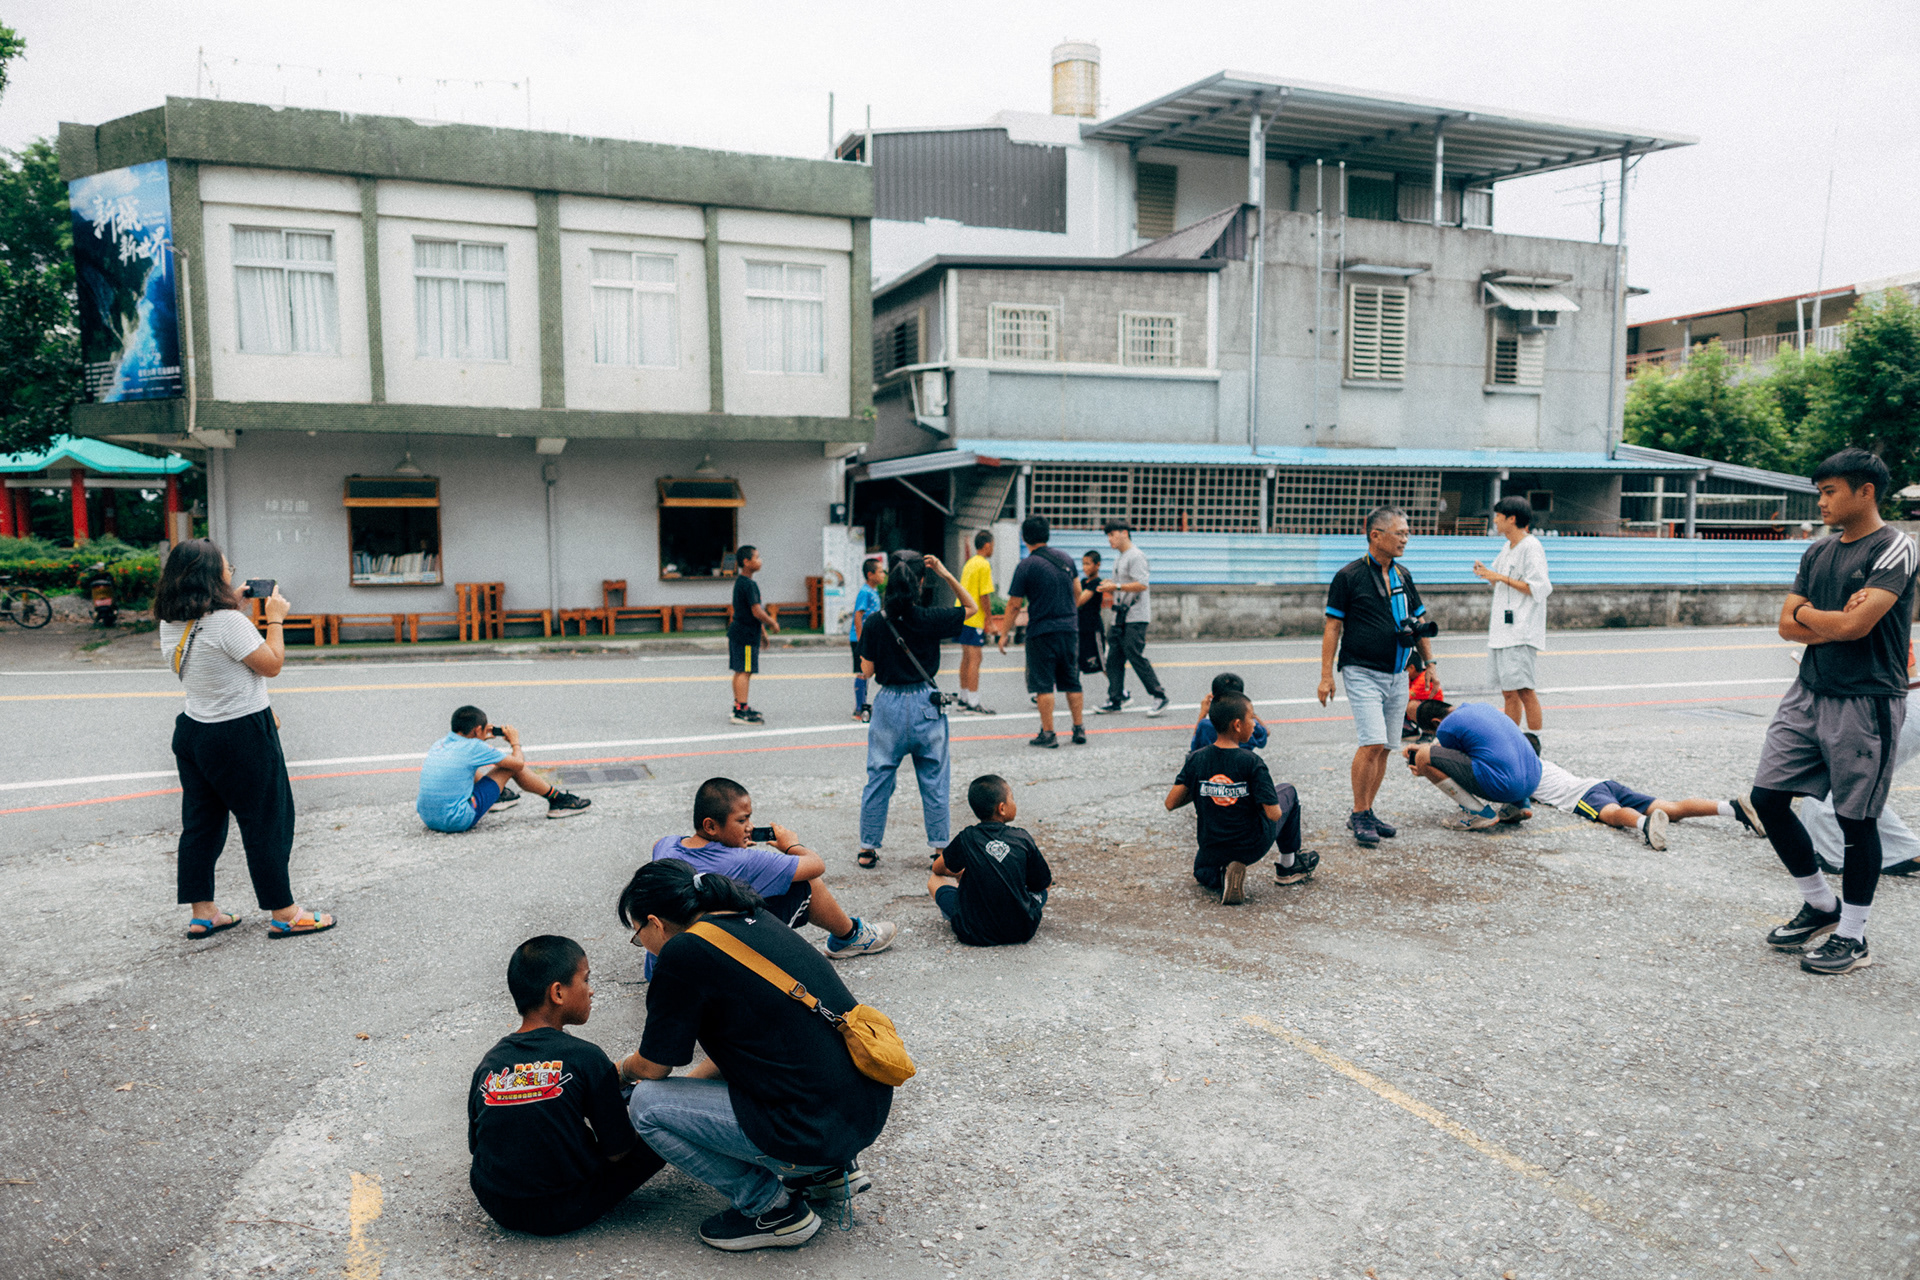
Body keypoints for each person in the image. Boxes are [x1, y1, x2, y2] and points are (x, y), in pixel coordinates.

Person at [618, 861, 892, 1251]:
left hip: (811, 1130)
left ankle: (771, 1208)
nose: (642, 944)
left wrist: (618, 1072)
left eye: (637, 935)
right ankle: (824, 1173)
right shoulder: (751, 917)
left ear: (654, 923)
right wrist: (685, 1104)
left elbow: (652, 1067)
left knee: (646, 1105)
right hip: (861, 1112)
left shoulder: (683, 952)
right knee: (766, 1065)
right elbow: (745, 1049)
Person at [1752, 448, 1919, 975]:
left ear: (1865, 492)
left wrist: (1810, 615)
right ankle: (1821, 905)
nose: (1821, 502)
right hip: (1808, 692)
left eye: (1830, 492)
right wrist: (1823, 619)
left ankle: (1853, 935)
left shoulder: (1895, 547)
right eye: (1819, 492)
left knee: (1856, 819)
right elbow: (1787, 625)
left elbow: (1856, 626)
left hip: (1867, 699)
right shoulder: (1818, 551)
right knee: (1767, 798)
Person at [155, 539, 334, 940]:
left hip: (194, 731)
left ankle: (203, 913)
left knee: (201, 824)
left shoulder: (171, 623)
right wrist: (275, 620)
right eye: (227, 568)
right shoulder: (228, 623)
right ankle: (285, 913)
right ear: (212, 576)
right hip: (239, 734)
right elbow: (271, 665)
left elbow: (213, 652)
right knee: (267, 821)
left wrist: (231, 603)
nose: (230, 573)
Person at [468, 936, 665, 1235]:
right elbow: (618, 1152)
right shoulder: (586, 1057)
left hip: (496, 1202)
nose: (591, 990)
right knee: (661, 1126)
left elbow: (476, 1145)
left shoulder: (491, 1062)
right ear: (558, 993)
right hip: (563, 1208)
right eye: (585, 980)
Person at [648, 776, 895, 969]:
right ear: (710, 826)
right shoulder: (745, 861)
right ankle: (850, 936)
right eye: (742, 821)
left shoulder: (666, 845)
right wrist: (791, 845)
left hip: (666, 964)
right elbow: (815, 865)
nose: (750, 827)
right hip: (714, 967)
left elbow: (683, 852)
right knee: (805, 884)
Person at [1317, 507, 1435, 848]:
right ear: (1375, 535)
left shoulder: (1403, 575)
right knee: (1371, 742)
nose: (1405, 539)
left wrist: (1430, 664)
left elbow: (1419, 622)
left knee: (1384, 747)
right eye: (1400, 533)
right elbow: (1333, 627)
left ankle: (1367, 810)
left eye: (1407, 533)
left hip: (1398, 673)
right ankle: (1358, 813)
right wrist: (1326, 676)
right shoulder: (1348, 576)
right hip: (1361, 670)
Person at [856, 549, 976, 868]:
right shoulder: (929, 617)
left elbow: (866, 671)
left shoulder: (875, 622)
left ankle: (867, 848)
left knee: (879, 777)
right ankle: (940, 849)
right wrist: (946, 573)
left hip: (889, 705)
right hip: (926, 703)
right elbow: (971, 607)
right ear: (920, 582)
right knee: (934, 779)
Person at [1167, 692, 1316, 902]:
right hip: (1249, 846)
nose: (1254, 724)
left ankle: (1222, 876)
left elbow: (1171, 803)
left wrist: (1209, 787)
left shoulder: (1196, 759)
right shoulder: (1252, 762)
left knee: (1201, 871)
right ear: (1237, 725)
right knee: (1288, 791)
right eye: (1251, 718)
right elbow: (1274, 814)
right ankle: (1288, 867)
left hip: (1211, 845)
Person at [1527, 747, 1766, 852]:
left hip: (1583, 796)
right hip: (1603, 783)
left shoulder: (1523, 776)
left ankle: (1645, 823)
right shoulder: (1546, 765)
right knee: (1672, 808)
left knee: (1612, 815)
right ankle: (1732, 807)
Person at [417, 705, 591, 830]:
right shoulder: (475, 747)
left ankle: (498, 797)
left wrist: (480, 739)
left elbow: (467, 754)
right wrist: (515, 742)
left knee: (465, 768)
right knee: (509, 767)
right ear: (477, 730)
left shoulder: (440, 743)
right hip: (456, 821)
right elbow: (518, 764)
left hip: (428, 818)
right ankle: (558, 801)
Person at [927, 774, 1053, 946]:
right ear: (1002, 808)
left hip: (972, 932)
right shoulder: (1022, 838)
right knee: (1043, 885)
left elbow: (937, 868)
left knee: (934, 880)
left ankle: (959, 913)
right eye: (1012, 799)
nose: (1014, 803)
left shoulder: (967, 837)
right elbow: (1042, 883)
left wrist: (960, 873)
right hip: (1021, 929)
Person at [999, 516, 1092, 748]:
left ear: (1024, 537)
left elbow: (1014, 605)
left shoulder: (1026, 565)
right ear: (1047, 534)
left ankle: (1049, 733)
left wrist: (1004, 633)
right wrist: (1068, 612)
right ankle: (1079, 729)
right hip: (1069, 629)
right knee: (1072, 681)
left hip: (1041, 631)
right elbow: (1077, 590)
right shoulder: (1066, 559)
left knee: (1043, 684)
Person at [1473, 495, 1553, 733]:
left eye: (1498, 516)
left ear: (1512, 519)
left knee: (1525, 690)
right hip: (1503, 630)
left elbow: (1538, 588)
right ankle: (1511, 739)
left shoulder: (1531, 546)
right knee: (1508, 692)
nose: (1495, 520)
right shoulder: (1507, 547)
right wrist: (1487, 574)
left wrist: (1499, 577)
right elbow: (1499, 581)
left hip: (1521, 630)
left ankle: (1535, 740)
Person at [1404, 701, 1543, 830]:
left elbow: (1452, 761)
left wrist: (1423, 767)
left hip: (1505, 787)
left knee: (1423, 756)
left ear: (1436, 723)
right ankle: (1518, 805)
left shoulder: (1445, 727)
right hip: (1532, 783)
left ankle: (1476, 813)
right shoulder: (1481, 708)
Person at [1095, 519, 1171, 717]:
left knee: (1134, 654)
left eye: (1112, 535)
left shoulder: (1136, 556)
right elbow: (1121, 584)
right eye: (1108, 536)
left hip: (1135, 616)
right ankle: (1115, 699)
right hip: (1119, 616)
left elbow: (1142, 584)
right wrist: (1110, 585)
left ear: (1124, 533)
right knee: (1113, 658)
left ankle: (1159, 695)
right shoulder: (1120, 558)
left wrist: (1116, 586)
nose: (1109, 539)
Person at [729, 545, 778, 725]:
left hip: (739, 632)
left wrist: (762, 632)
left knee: (740, 671)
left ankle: (738, 706)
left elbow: (750, 612)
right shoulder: (749, 585)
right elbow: (756, 611)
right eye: (757, 558)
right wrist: (772, 623)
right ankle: (741, 711)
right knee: (745, 671)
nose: (760, 561)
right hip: (746, 634)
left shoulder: (741, 582)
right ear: (746, 562)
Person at [956, 530, 998, 714]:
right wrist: (990, 621)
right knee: (975, 658)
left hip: (962, 614)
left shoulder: (970, 563)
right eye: (993, 545)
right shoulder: (983, 564)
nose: (993, 549)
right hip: (974, 617)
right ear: (987, 545)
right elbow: (984, 596)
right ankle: (973, 702)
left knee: (966, 658)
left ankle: (963, 698)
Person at [1190, 672, 1269, 753]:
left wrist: (1202, 714)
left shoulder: (1205, 726)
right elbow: (1265, 734)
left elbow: (1194, 747)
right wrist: (1250, 713)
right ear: (1241, 698)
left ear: (1213, 697)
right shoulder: (1249, 725)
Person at [849, 557, 883, 722]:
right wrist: (861, 639)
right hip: (861, 638)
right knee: (862, 672)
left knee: (868, 671)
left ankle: (864, 705)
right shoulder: (865, 592)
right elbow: (858, 615)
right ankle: (859, 709)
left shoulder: (873, 591)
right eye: (880, 572)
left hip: (870, 638)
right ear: (870, 574)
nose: (883, 575)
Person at [1076, 550, 1107, 677]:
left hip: (1093, 630)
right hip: (1079, 629)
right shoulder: (1084, 582)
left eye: (1088, 564)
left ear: (1097, 565)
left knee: (1101, 662)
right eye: (1083, 564)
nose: (1085, 567)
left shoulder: (1097, 583)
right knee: (1074, 662)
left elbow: (1079, 601)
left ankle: (1118, 687)